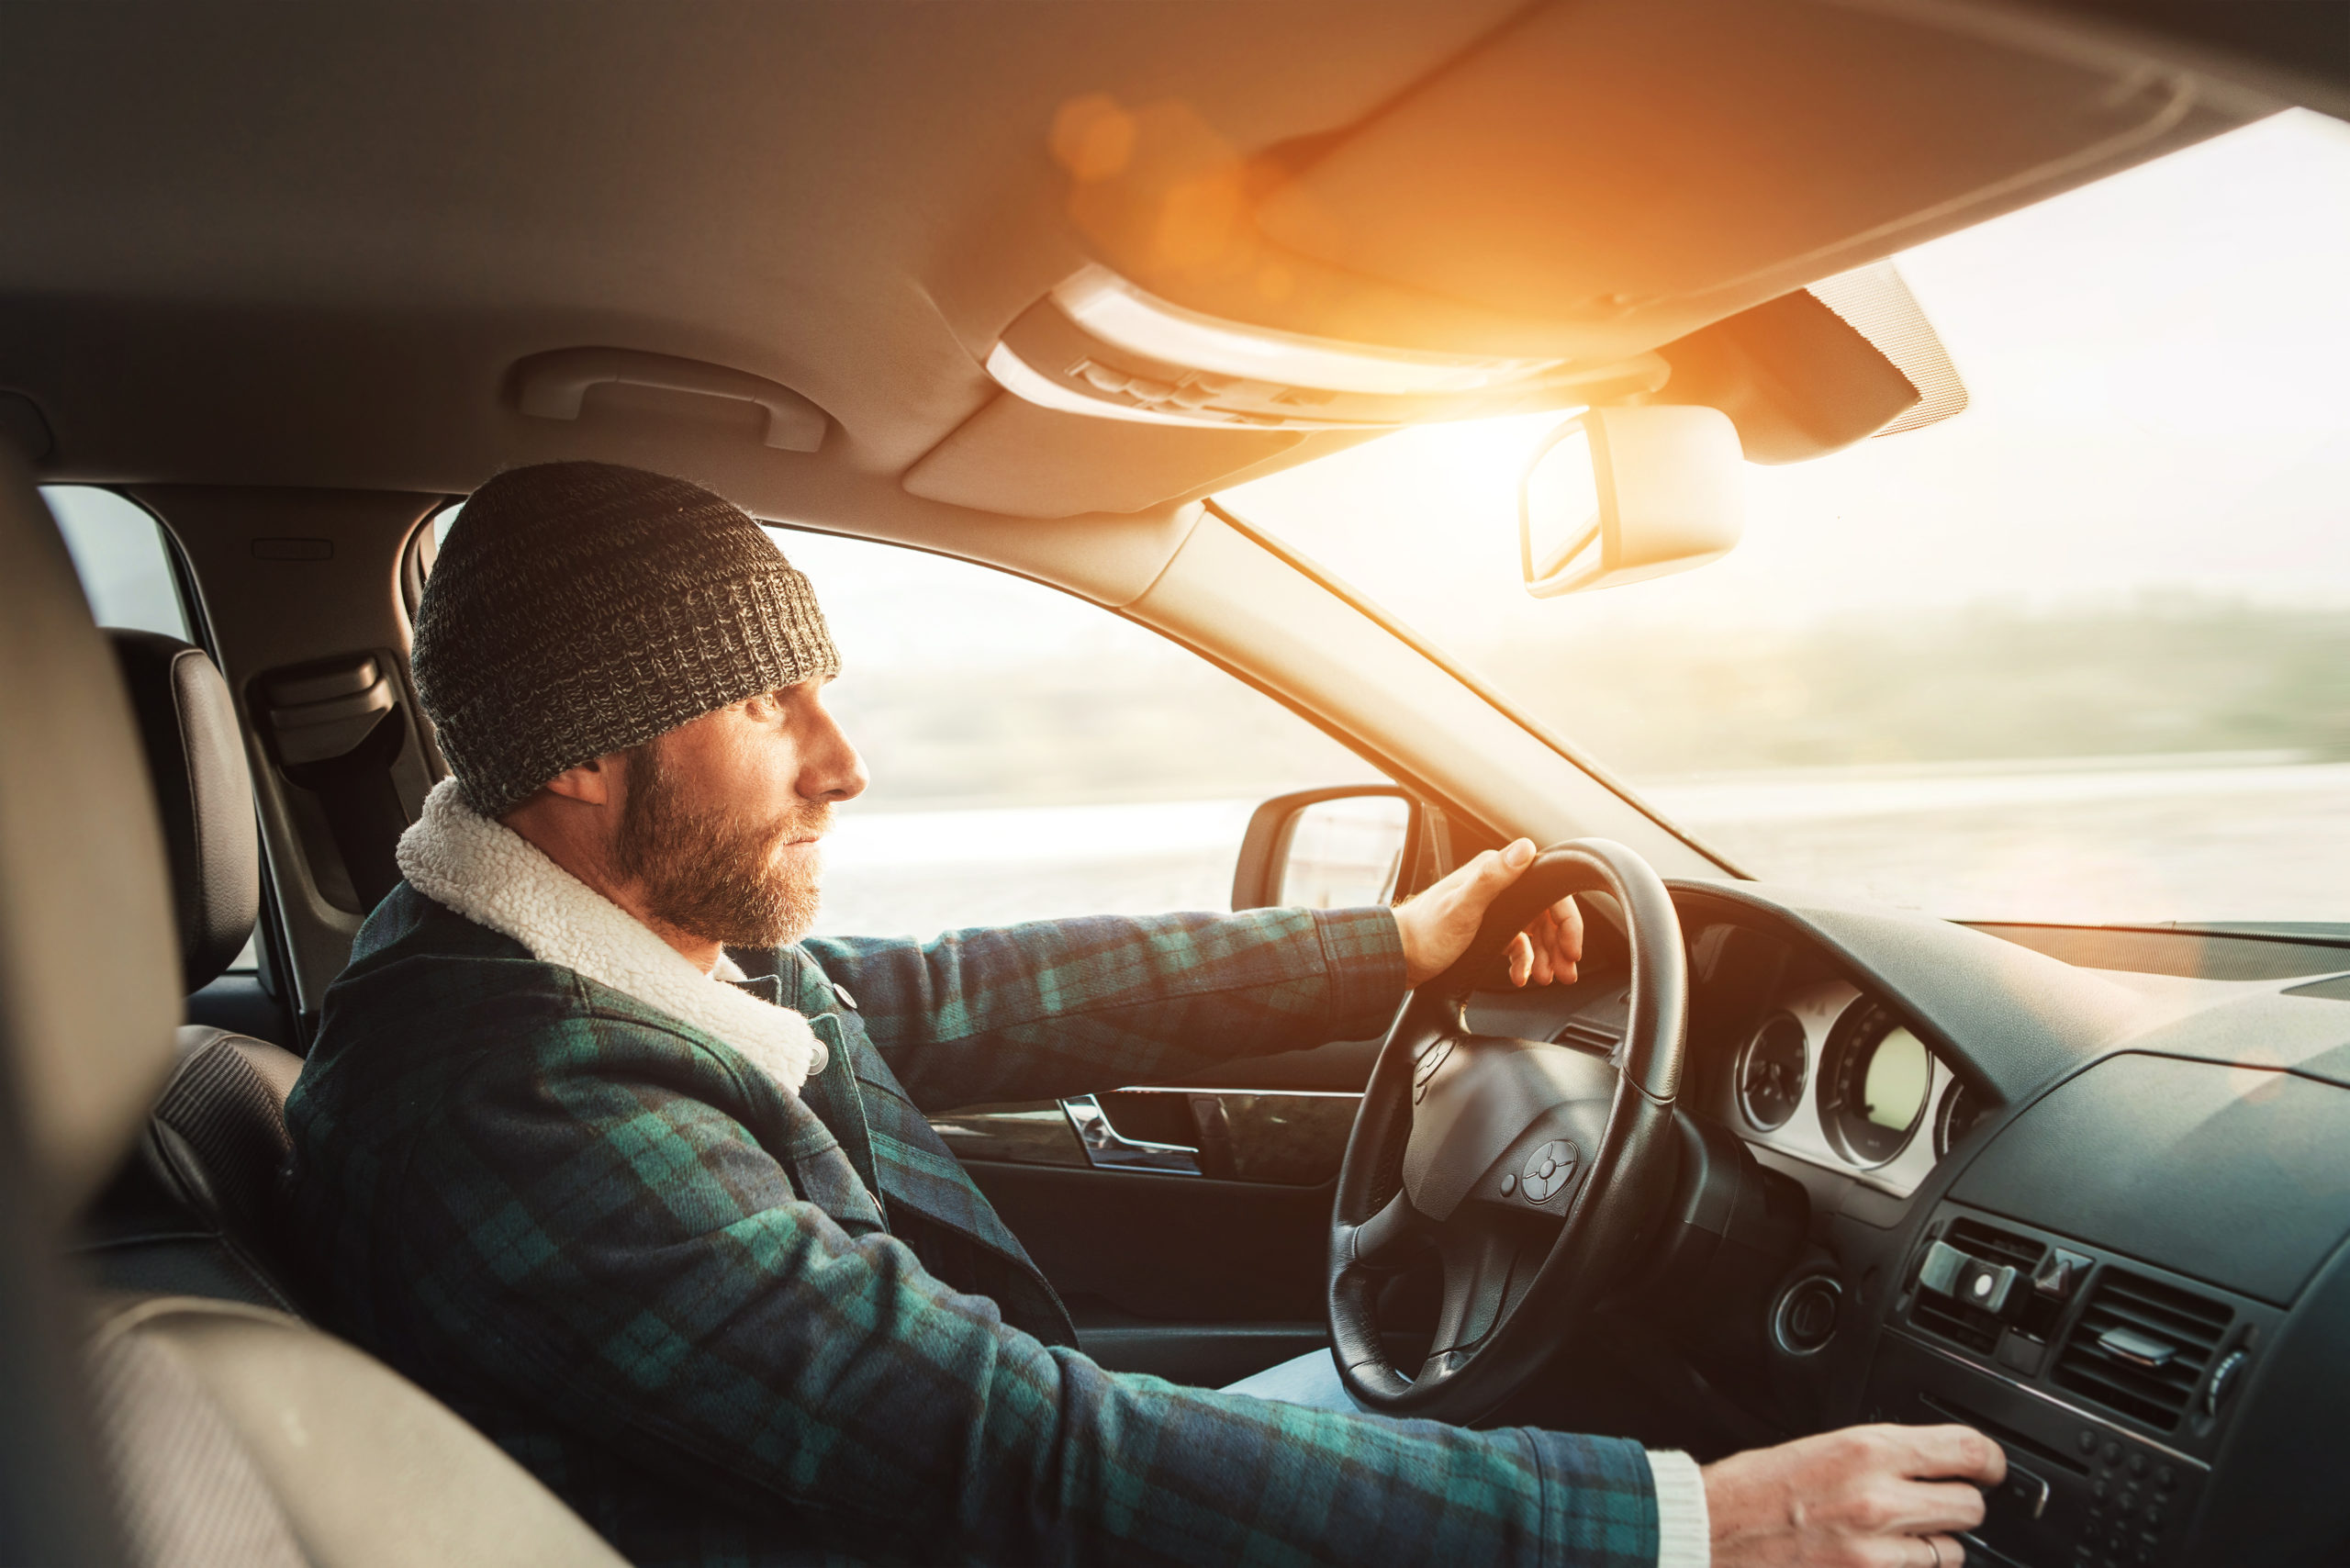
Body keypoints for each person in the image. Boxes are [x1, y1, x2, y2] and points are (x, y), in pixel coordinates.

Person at [285, 462, 2004, 1568]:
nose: (844, 762)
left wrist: (1387, 949)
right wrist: (1694, 1526)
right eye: (762, 704)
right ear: (584, 756)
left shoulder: (594, 947)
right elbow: (1013, 1458)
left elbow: (929, 994)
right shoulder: (509, 1113)